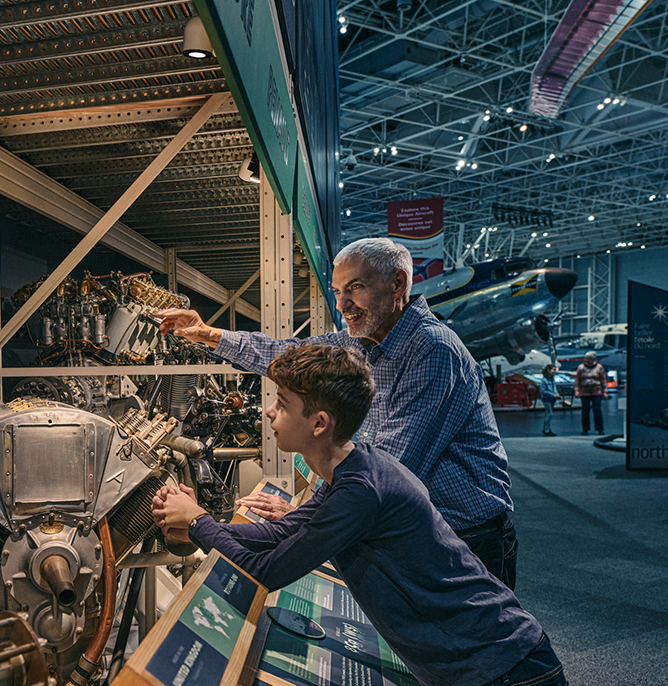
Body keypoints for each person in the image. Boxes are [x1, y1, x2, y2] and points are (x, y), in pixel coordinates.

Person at [152, 344, 581, 686]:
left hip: (500, 677)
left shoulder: (358, 492)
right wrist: (200, 522)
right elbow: (279, 535)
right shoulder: (354, 470)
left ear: (319, 424)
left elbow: (264, 571)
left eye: (283, 403)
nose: (269, 410)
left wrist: (197, 522)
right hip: (487, 674)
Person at [158, 237, 519, 589]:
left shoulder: (433, 350)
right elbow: (286, 353)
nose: (344, 303)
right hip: (409, 527)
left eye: (355, 287)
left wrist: (317, 520)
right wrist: (208, 334)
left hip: (468, 538)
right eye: (337, 291)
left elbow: (387, 472)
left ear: (398, 284)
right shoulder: (360, 341)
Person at [574, 350, 608, 435]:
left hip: (596, 392)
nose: (586, 360)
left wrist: (605, 392)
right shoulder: (581, 367)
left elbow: (603, 380)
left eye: (588, 358)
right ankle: (585, 429)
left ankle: (600, 428)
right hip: (584, 392)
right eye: (586, 358)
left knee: (597, 410)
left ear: (593, 359)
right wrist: (576, 391)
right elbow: (577, 379)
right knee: (585, 411)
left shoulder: (599, 367)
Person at [540, 364, 561, 436]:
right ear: (548, 370)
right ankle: (547, 430)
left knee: (548, 414)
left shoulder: (552, 379)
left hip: (552, 398)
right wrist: (553, 394)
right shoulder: (544, 380)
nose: (554, 371)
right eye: (553, 370)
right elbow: (543, 391)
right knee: (549, 413)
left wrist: (556, 393)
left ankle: (545, 428)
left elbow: (554, 388)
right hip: (546, 398)